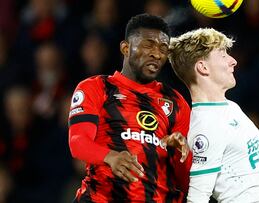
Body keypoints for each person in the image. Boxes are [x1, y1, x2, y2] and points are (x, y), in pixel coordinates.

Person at [68, 13, 192, 202]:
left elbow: (185, 181)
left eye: (163, 48)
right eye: (148, 44)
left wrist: (183, 154)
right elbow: (78, 142)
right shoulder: (97, 87)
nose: (156, 54)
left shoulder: (176, 102)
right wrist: (110, 157)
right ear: (125, 48)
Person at [168, 28, 259, 203]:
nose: (233, 61)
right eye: (223, 55)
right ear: (203, 67)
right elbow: (197, 197)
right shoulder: (206, 126)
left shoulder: (229, 107)